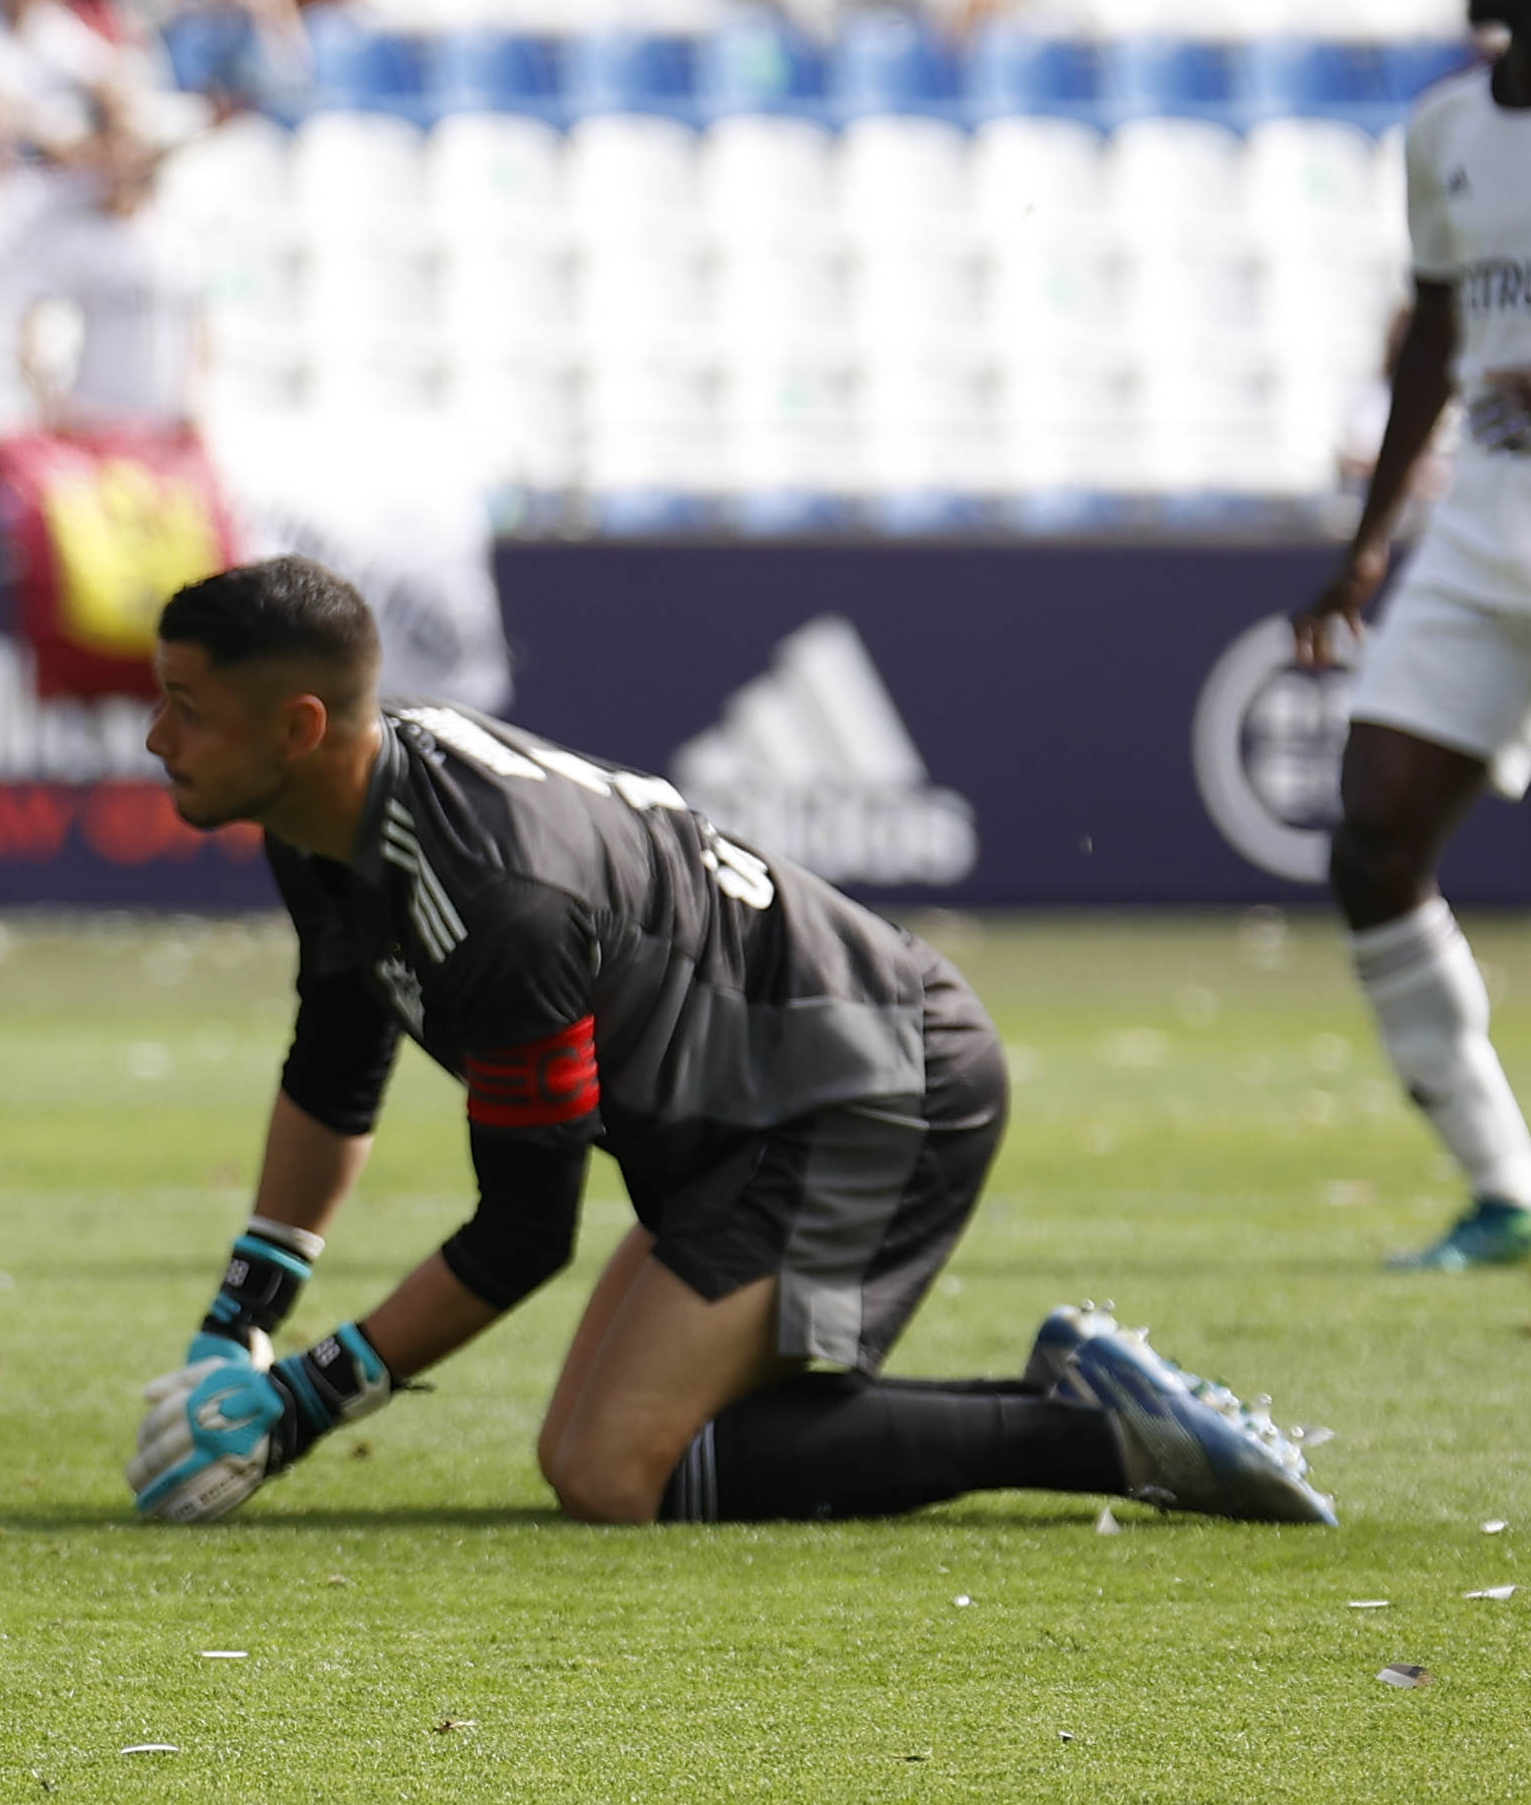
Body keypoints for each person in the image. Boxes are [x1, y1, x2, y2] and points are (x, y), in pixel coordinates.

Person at [127, 556, 1336, 1531]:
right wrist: (244, 1313)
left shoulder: (501, 896)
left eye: (186, 707)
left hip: (867, 1084)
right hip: (741, 1117)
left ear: (297, 725)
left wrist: (304, 1398)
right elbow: (338, 1063)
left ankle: (1102, 1426)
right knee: (586, 1456)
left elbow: (524, 1231)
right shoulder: (329, 808)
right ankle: (1080, 1407)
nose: (152, 737)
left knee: (615, 1471)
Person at [1290, 0, 1531, 1273]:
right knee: (1376, 837)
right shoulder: (1444, 130)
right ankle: (1506, 1182)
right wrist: (1366, 549)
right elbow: (1435, 340)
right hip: (1483, 527)